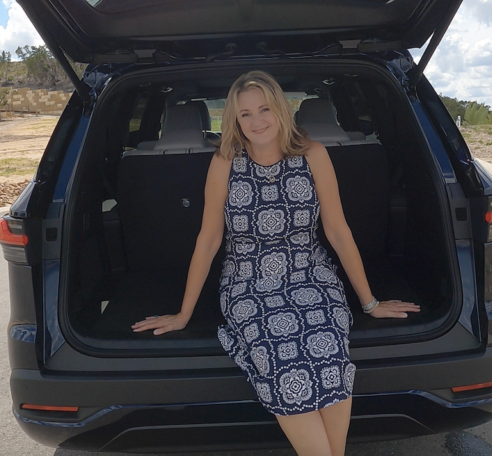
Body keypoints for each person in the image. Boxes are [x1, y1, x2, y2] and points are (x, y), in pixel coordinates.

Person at [132, 71, 420, 456]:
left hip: (311, 276)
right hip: (248, 283)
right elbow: (209, 239)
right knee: (282, 358)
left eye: (264, 109)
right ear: (234, 120)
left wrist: (370, 304)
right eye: (245, 114)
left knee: (328, 351)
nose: (256, 121)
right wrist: (184, 314)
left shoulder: (314, 155)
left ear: (282, 110)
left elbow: (338, 232)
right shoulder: (224, 162)